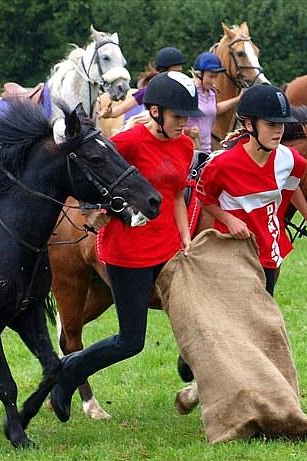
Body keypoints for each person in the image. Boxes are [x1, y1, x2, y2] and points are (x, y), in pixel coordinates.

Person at [50, 72, 203, 422]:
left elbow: (177, 194)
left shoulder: (184, 146)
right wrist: (96, 212)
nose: (184, 124)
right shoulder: (129, 141)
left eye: (187, 117)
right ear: (154, 112)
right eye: (177, 117)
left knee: (197, 317)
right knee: (130, 341)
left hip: (168, 251)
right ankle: (67, 376)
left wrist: (186, 238)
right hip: (127, 254)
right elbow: (94, 174)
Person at [196, 84, 307, 296]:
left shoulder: (291, 160)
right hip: (231, 253)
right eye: (271, 124)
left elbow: (291, 188)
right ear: (249, 125)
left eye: (282, 124)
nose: (279, 131)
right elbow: (203, 199)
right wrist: (228, 219)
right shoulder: (221, 165)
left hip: (269, 253)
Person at [98, 46, 185, 122]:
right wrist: (108, 113)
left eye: (180, 72)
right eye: (176, 72)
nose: (179, 76)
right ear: (163, 72)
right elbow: (121, 109)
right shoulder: (149, 91)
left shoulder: (183, 90)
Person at [186, 52, 241, 153]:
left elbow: (215, 109)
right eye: (211, 76)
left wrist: (238, 99)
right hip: (189, 149)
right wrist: (188, 131)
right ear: (199, 74)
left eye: (216, 77)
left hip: (207, 150)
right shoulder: (189, 92)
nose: (214, 81)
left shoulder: (212, 92)